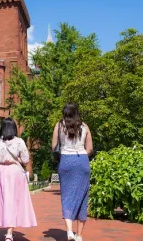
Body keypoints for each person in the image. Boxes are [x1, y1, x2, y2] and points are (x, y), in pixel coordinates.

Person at [0, 117, 37, 241]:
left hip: (0, 172)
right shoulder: (19, 142)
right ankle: (10, 232)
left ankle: (9, 230)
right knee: (14, 201)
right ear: (13, 128)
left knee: (5, 201)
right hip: (15, 172)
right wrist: (17, 160)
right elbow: (25, 160)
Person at [52, 103, 93, 241]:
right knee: (82, 198)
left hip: (66, 161)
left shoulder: (59, 125)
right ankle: (79, 235)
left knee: (67, 196)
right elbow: (90, 149)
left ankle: (69, 232)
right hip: (81, 160)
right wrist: (81, 157)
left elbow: (54, 147)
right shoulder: (84, 126)